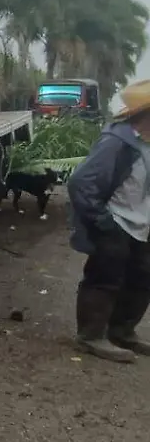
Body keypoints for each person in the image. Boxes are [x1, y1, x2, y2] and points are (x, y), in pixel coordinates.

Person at [67, 78, 150, 362]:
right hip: (116, 222)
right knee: (105, 279)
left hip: (142, 226)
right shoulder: (117, 142)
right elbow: (81, 183)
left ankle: (121, 332)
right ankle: (90, 336)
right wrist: (104, 224)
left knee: (141, 280)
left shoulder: (147, 143)